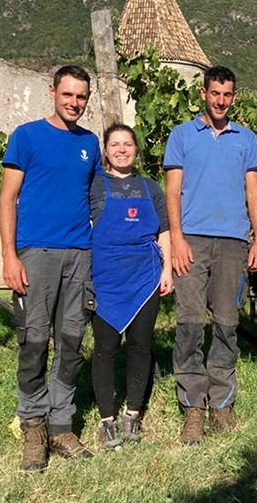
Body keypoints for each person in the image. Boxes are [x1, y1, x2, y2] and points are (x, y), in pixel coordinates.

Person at [0, 65, 102, 472]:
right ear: (52, 92)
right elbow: (7, 199)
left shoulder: (90, 143)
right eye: (68, 95)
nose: (75, 103)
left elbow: (96, 200)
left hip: (80, 254)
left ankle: (61, 425)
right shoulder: (26, 137)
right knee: (35, 341)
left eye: (81, 97)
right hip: (36, 253)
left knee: (72, 341)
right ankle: (33, 425)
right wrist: (9, 255)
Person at [164, 65, 257, 445]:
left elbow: (253, 192)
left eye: (227, 94)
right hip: (191, 239)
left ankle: (221, 403)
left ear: (233, 97)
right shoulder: (182, 135)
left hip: (233, 243)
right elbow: (172, 191)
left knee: (226, 324)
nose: (221, 100)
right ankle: (193, 405)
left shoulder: (247, 139)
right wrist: (176, 238)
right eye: (215, 93)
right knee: (189, 323)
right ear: (203, 94)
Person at [89, 123, 172, 450]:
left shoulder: (151, 187)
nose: (122, 149)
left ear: (136, 150)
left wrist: (168, 270)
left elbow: (164, 229)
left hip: (145, 275)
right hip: (105, 277)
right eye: (115, 145)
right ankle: (106, 420)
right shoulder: (93, 186)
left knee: (140, 346)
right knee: (104, 349)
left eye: (128, 144)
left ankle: (133, 413)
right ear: (106, 151)